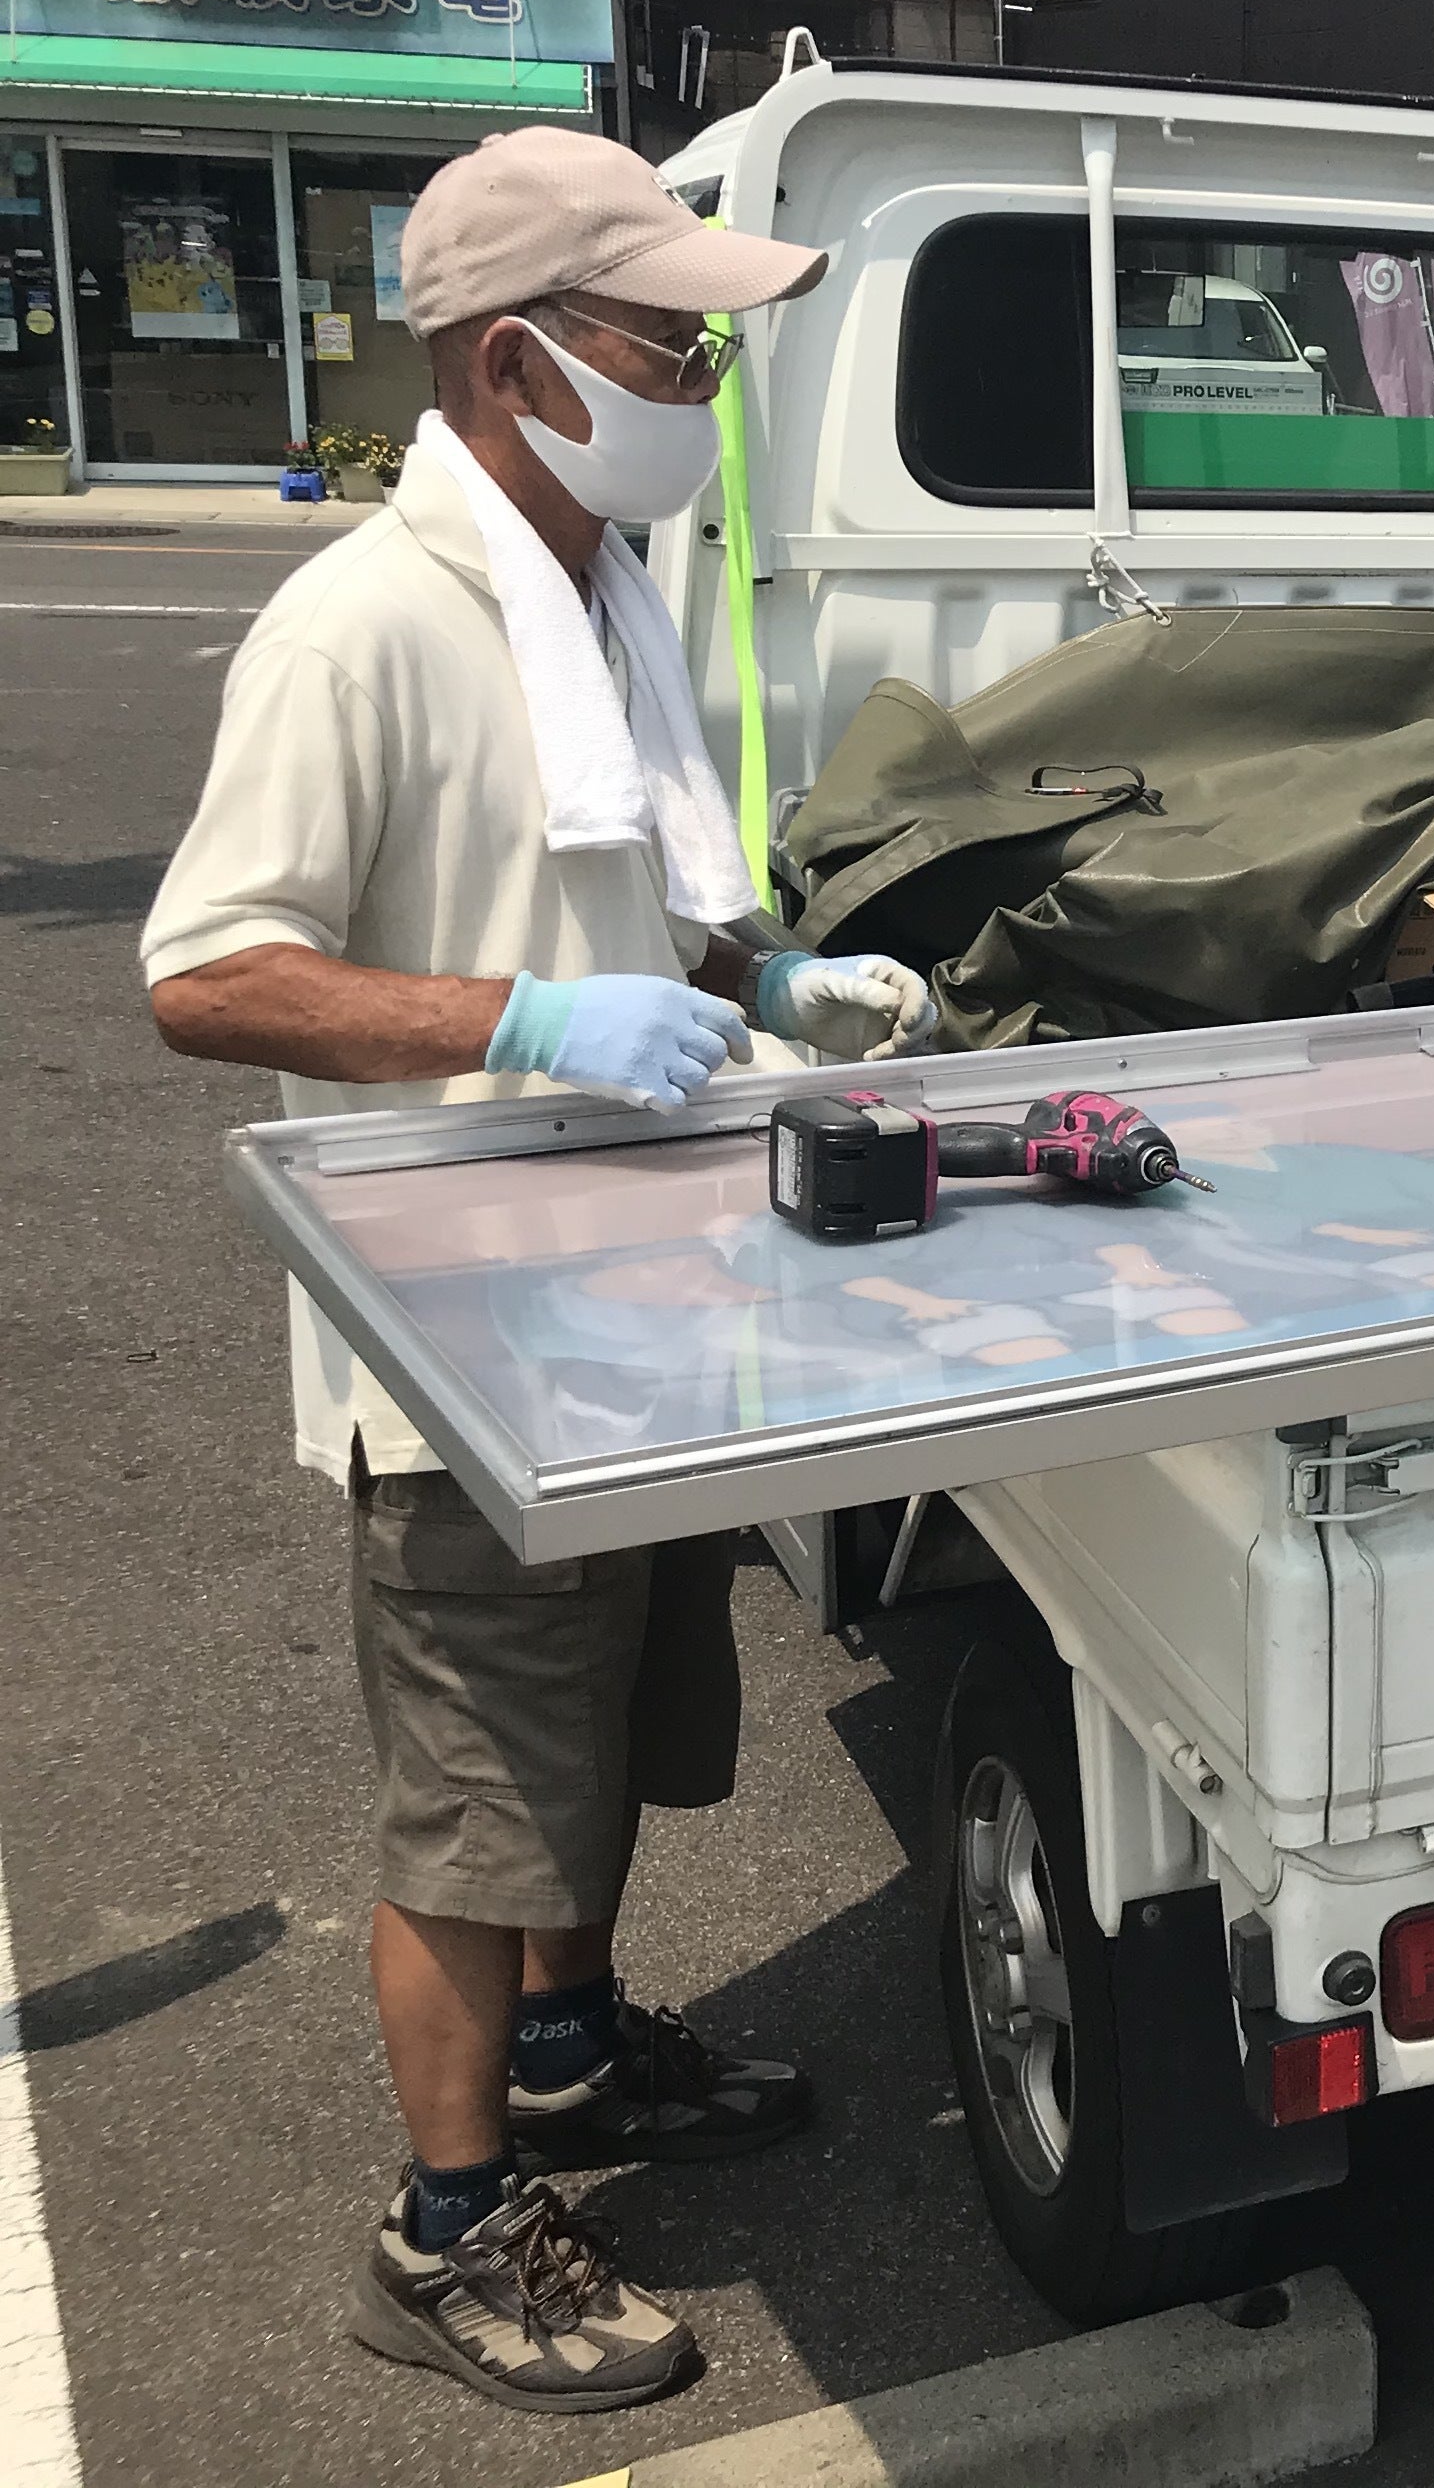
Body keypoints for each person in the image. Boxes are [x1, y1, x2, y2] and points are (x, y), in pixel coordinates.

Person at [144, 127, 939, 2414]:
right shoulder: (368, 626)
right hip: (457, 1346)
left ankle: (574, 2052)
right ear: (515, 364)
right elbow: (211, 973)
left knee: (601, 1747)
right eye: (672, 344)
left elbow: (627, 896)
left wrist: (762, 981)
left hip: (630, 1312)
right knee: (481, 1807)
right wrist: (524, 1024)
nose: (705, 384)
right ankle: (448, 2224)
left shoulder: (597, 597)